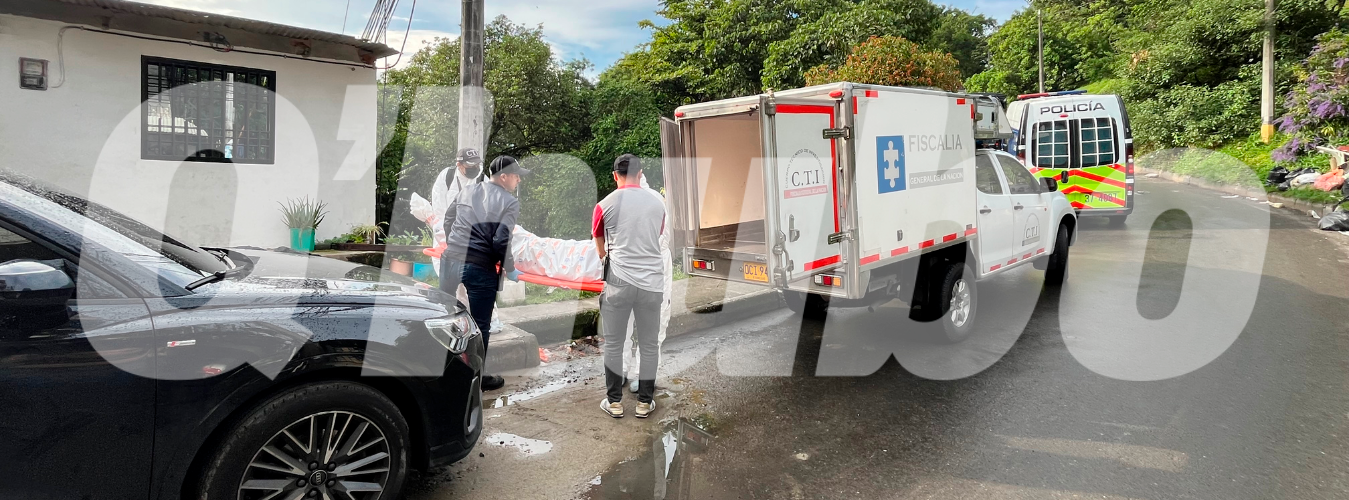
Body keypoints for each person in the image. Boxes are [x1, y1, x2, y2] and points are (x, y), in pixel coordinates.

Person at [442, 155, 529, 391]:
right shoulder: (509, 202)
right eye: (516, 175)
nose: (519, 180)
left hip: (450, 260)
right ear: (504, 177)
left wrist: (456, 245)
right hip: (479, 267)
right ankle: (476, 379)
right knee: (480, 326)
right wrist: (510, 269)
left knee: (445, 318)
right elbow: (502, 239)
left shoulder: (468, 190)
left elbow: (449, 218)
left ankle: (443, 372)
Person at [594, 154, 667, 419]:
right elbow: (657, 235)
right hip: (651, 284)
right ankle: (644, 403)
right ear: (640, 173)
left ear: (615, 176)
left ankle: (614, 402)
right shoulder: (657, 203)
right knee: (648, 344)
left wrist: (607, 258)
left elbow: (599, 240)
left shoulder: (604, 205)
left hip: (618, 283)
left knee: (614, 343)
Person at [430, 148, 483, 276]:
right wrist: (447, 234)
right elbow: (439, 208)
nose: (475, 168)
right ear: (458, 164)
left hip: (474, 235)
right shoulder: (447, 176)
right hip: (448, 232)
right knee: (448, 276)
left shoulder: (482, 178)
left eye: (477, 164)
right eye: (470, 165)